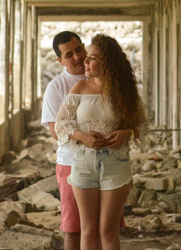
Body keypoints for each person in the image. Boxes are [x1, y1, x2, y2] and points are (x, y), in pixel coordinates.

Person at [56, 34, 147, 250]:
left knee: (108, 229)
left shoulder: (125, 92)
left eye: (92, 58)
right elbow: (62, 125)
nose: (85, 61)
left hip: (116, 166)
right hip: (83, 166)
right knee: (87, 230)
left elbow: (143, 126)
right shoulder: (79, 88)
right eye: (88, 57)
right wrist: (82, 136)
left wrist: (128, 133)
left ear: (107, 61)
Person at [41, 31, 89, 250]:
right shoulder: (56, 87)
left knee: (103, 226)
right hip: (71, 163)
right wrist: (83, 136)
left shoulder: (103, 77)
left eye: (79, 49)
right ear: (60, 61)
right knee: (73, 229)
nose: (77, 57)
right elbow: (54, 130)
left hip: (106, 161)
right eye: (69, 54)